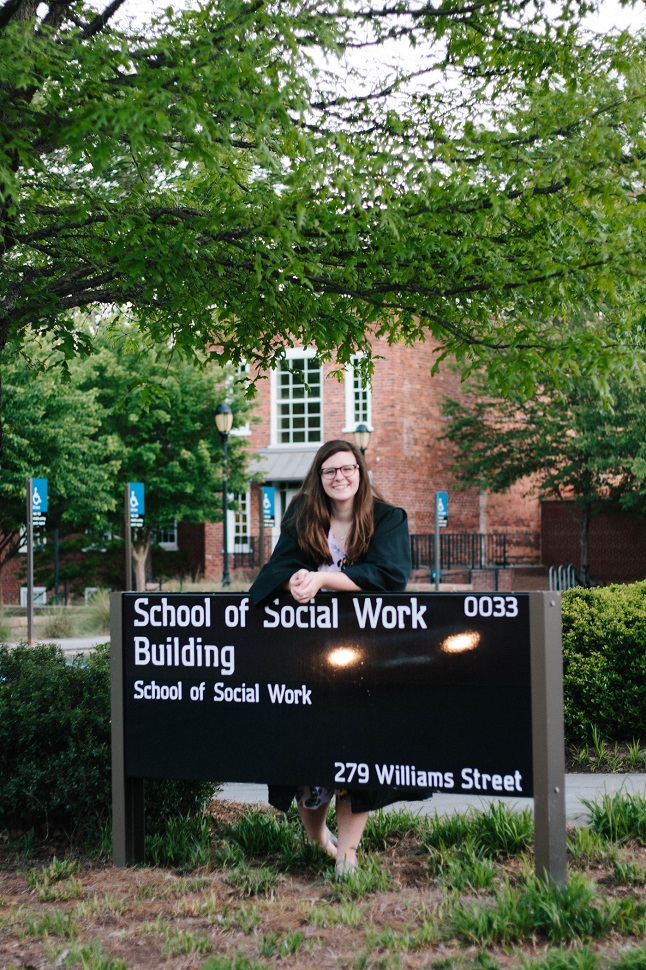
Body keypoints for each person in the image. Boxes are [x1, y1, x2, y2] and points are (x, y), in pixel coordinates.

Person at [249, 439, 418, 877]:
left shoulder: (388, 519)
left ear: (360, 473)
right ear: (319, 479)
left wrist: (325, 579)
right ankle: (318, 840)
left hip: (366, 651)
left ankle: (348, 852)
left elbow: (389, 577)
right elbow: (276, 571)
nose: (339, 477)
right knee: (306, 748)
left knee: (357, 748)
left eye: (347, 469)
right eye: (330, 472)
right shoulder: (302, 517)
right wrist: (296, 583)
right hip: (309, 652)